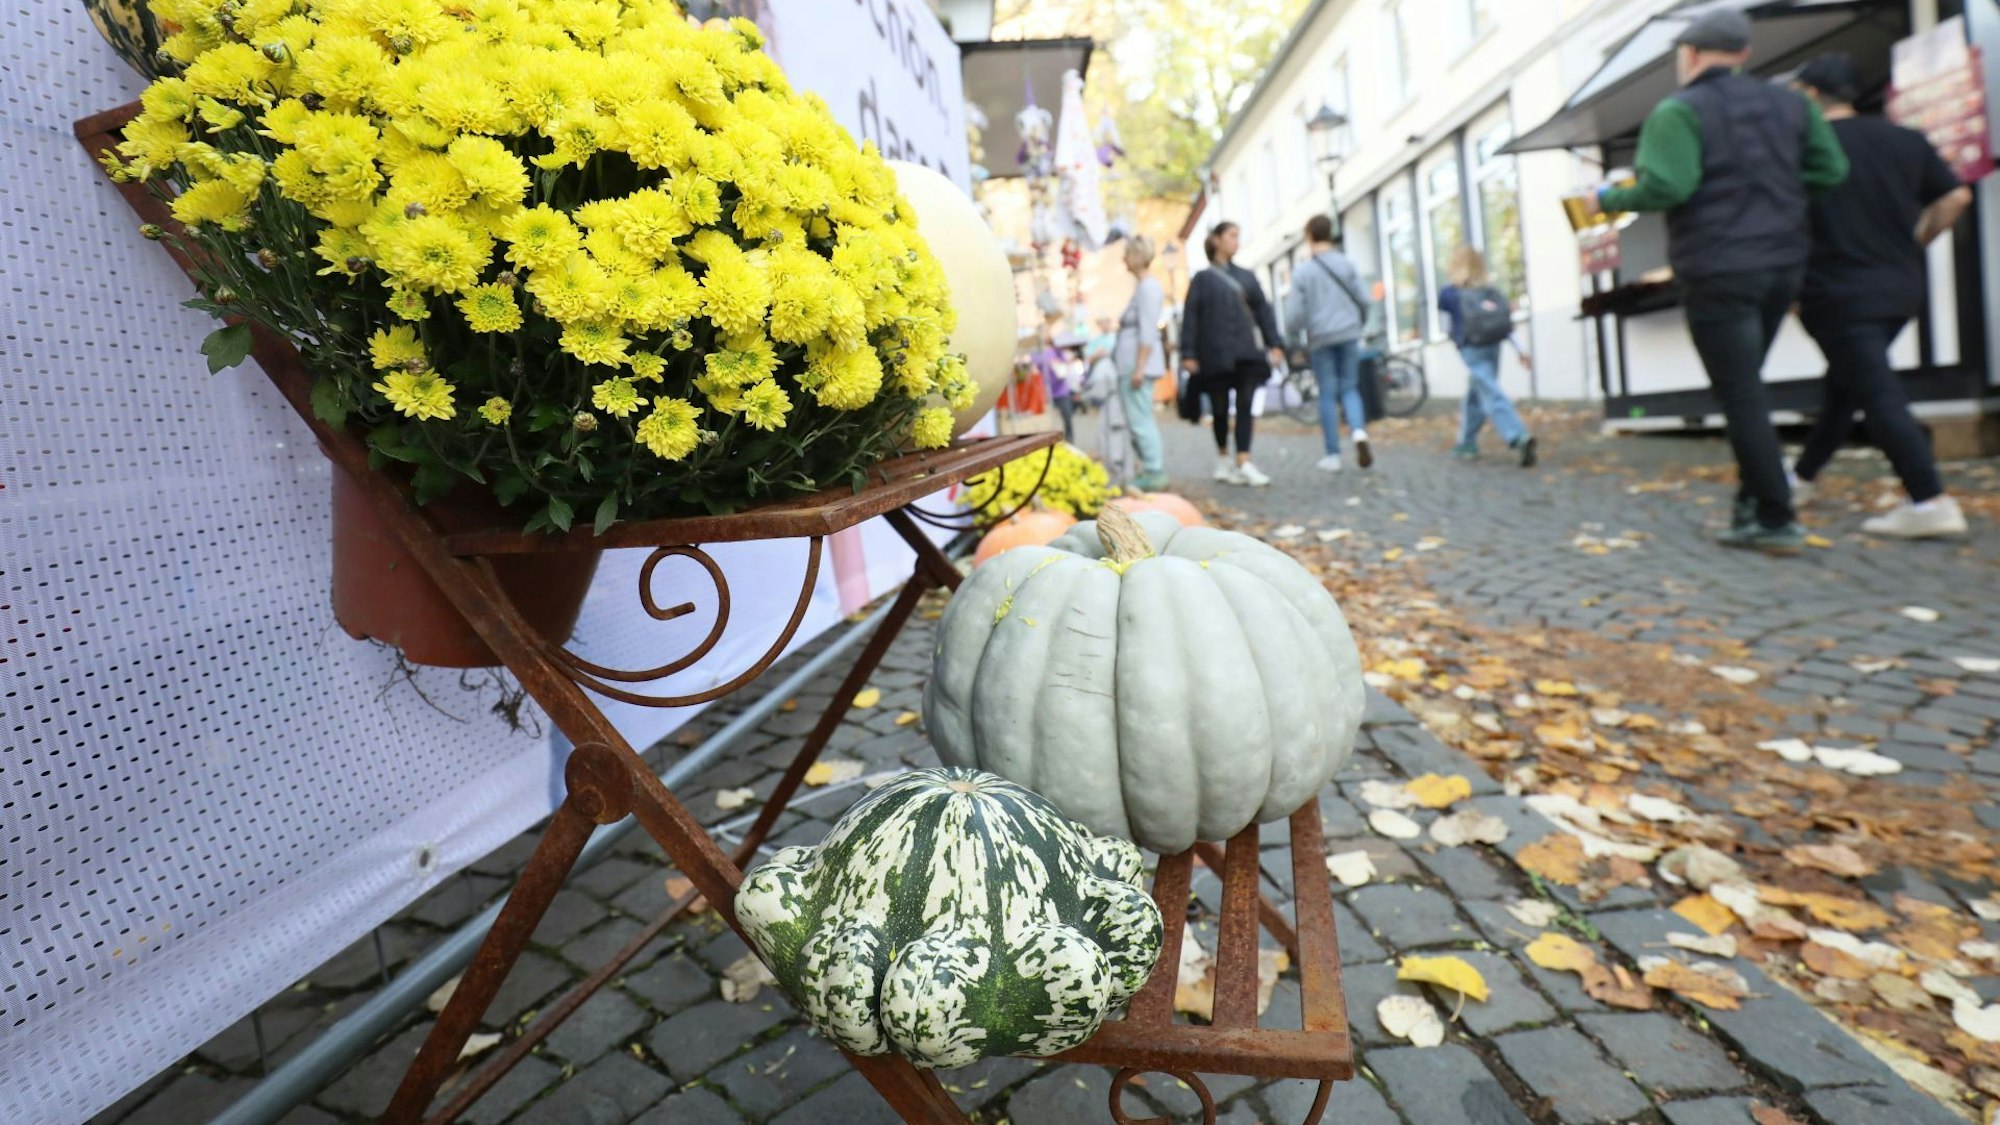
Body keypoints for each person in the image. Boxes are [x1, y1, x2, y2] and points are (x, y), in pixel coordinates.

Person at [1588, 9, 1849, 554]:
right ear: (1743, 55)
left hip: (1719, 265)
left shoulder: (1677, 111)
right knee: (1746, 381)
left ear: (1688, 55)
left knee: (1740, 390)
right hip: (1783, 263)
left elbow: (1668, 186)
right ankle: (1751, 506)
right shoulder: (1794, 103)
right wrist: (1772, 186)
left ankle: (1776, 516)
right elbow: (1831, 171)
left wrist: (1607, 200)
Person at [1792, 53, 1972, 538]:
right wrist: (1917, 242)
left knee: (1874, 390)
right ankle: (1801, 478)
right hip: (1900, 286)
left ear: (1810, 94)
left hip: (1835, 290)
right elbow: (1956, 198)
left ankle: (1928, 498)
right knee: (1848, 385)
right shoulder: (1904, 140)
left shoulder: (1805, 148)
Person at [1180, 221, 1285, 487]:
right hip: (1214, 355)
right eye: (1231, 236)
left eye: (1238, 236)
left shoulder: (1247, 277)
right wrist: (1188, 353)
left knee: (1245, 405)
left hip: (1246, 352)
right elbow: (1190, 318)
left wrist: (1275, 343)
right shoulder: (1202, 279)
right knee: (1218, 409)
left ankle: (1244, 460)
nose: (1236, 241)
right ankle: (1223, 457)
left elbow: (1264, 311)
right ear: (1216, 240)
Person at [1282, 214, 1372, 472]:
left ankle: (1333, 454)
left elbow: (1294, 315)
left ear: (1309, 236)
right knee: (1350, 388)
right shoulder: (1347, 264)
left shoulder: (1304, 272)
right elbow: (1364, 299)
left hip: (1321, 338)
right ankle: (1358, 432)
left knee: (1328, 394)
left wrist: (1292, 335)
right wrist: (1358, 324)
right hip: (1348, 334)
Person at [1436, 247, 1537, 467]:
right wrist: (1519, 349)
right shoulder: (1491, 291)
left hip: (1471, 348)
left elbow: (1445, 327)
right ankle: (1467, 442)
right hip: (1494, 346)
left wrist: (1458, 343)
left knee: (1490, 391)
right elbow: (1506, 326)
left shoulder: (1449, 294)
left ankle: (1517, 435)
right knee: (1478, 390)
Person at [1115, 235, 1171, 490]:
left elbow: (1147, 330)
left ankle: (1153, 470)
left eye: (1127, 253)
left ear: (1138, 256)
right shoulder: (1142, 287)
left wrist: (1139, 367)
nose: (1124, 258)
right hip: (1131, 364)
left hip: (1137, 366)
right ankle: (1149, 467)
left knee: (1141, 420)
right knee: (1138, 418)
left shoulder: (1148, 287)